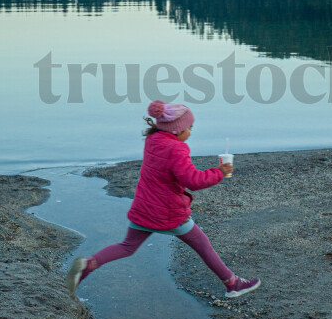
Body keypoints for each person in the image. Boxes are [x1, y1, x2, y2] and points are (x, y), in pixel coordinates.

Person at [65, 100, 260, 299]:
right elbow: (192, 180)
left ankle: (88, 265)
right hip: (168, 213)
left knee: (127, 246)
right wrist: (218, 172)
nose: (191, 133)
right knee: (202, 244)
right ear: (177, 130)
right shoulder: (177, 149)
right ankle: (233, 284)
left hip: (143, 207)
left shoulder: (153, 140)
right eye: (189, 128)